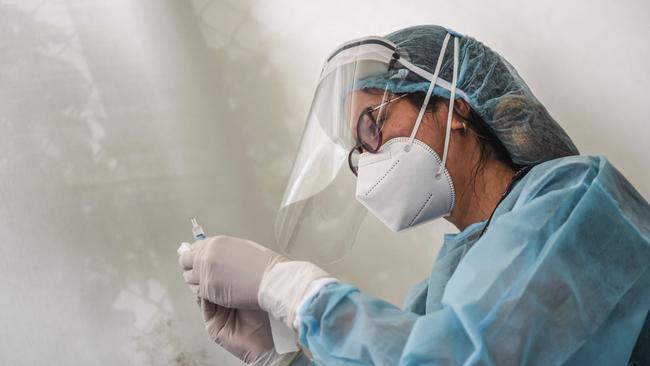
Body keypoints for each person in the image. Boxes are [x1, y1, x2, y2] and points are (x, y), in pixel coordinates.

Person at [179, 25, 650, 365]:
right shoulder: (442, 291)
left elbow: (459, 358)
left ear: (454, 107)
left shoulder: (572, 204)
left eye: (372, 125)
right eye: (358, 153)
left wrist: (293, 290)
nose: (368, 162)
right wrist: (281, 358)